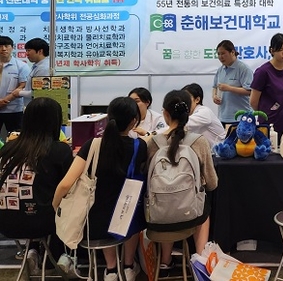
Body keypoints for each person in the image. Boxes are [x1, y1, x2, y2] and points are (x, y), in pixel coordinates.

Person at [53, 97, 147, 281]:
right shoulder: (140, 146)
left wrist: (56, 206)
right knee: (135, 210)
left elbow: (65, 184)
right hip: (125, 222)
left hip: (94, 227)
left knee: (101, 209)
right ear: (133, 121)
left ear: (108, 118)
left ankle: (111, 270)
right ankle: (128, 267)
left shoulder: (92, 145)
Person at [146, 90, 218, 272]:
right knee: (203, 206)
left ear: (165, 113)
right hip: (190, 218)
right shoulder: (199, 142)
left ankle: (165, 260)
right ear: (189, 113)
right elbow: (212, 183)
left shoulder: (153, 143)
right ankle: (200, 262)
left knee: (166, 204)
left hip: (157, 220)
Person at [0, 97, 73, 275]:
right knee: (64, 203)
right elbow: (69, 187)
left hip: (5, 223)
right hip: (44, 222)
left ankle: (32, 250)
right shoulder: (59, 150)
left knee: (35, 198)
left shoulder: (8, 149)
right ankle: (62, 257)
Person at [250, 33, 283, 135]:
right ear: (272, 50)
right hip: (269, 123)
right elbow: (253, 101)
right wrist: (266, 113)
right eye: (280, 49)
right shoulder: (263, 72)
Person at [212, 40, 253, 127]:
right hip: (223, 117)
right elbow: (215, 86)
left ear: (232, 52)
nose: (220, 57)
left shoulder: (244, 69)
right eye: (218, 54)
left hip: (242, 117)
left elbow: (249, 91)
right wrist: (214, 96)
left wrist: (229, 88)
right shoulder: (220, 70)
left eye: (223, 53)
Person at [0, 36, 31, 134]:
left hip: (14, 110)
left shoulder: (21, 66)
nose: (3, 49)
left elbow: (22, 86)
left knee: (16, 138)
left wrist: (5, 101)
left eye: (6, 46)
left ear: (12, 47)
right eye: (0, 46)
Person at [182, 83, 226, 148]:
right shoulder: (192, 115)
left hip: (219, 152)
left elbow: (183, 124)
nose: (184, 102)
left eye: (186, 99)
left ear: (197, 100)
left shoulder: (204, 112)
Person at [9, 38, 50, 107]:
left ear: (40, 51)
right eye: (26, 50)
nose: (27, 54)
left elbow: (39, 92)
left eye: (29, 50)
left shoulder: (43, 68)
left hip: (38, 107)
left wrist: (20, 93)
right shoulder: (37, 66)